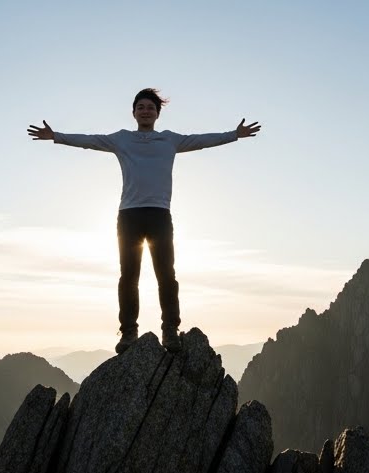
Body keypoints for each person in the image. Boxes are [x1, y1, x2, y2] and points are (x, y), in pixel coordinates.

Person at [27, 88, 261, 354]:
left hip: (160, 214)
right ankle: (128, 332)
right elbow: (90, 141)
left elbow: (201, 140)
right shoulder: (122, 140)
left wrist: (234, 135)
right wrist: (55, 136)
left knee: (166, 275)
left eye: (150, 107)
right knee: (129, 276)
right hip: (129, 215)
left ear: (157, 113)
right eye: (141, 107)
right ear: (134, 112)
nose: (145, 111)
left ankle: (170, 329)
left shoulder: (170, 140)